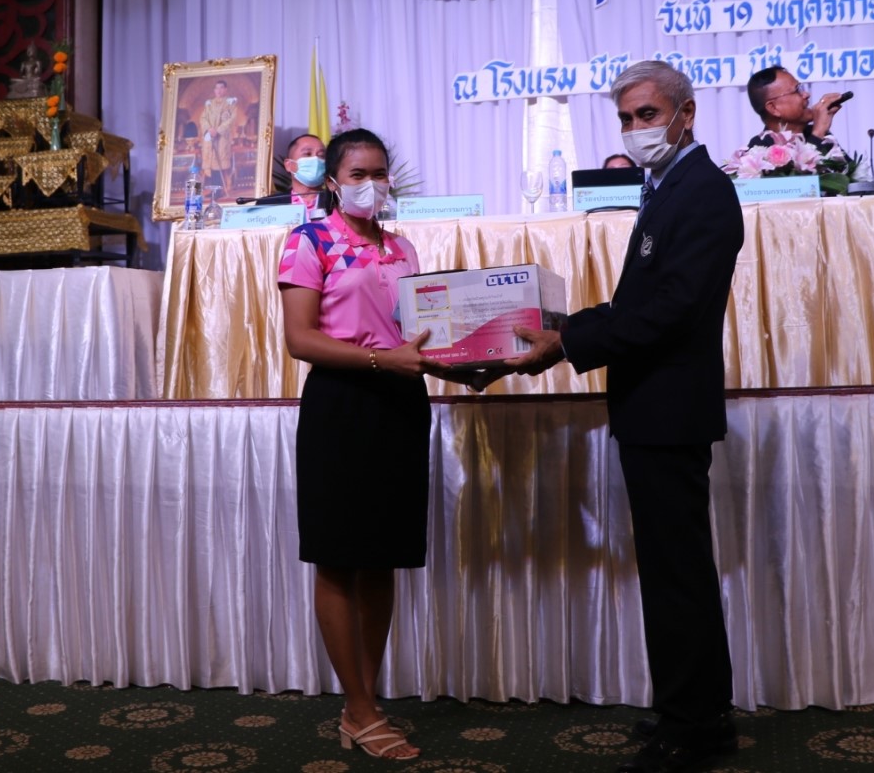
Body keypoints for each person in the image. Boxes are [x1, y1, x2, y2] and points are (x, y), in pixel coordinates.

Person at [505, 61, 743, 773]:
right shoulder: (666, 186)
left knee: (678, 574)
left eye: (647, 114)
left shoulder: (703, 191)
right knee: (672, 570)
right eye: (625, 119)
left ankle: (694, 726)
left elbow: (671, 311)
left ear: (686, 114)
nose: (635, 129)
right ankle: (693, 712)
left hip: (670, 409)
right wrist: (566, 330)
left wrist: (566, 342)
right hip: (652, 406)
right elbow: (638, 305)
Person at [278, 128, 491, 762]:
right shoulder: (309, 241)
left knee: (382, 558)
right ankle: (361, 707)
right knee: (338, 557)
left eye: (379, 173)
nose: (370, 184)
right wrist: (381, 361)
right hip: (342, 404)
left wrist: (467, 362)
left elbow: (420, 337)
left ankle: (361, 703)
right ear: (333, 182)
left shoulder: (402, 247)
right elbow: (300, 339)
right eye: (358, 174)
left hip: (400, 404)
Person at [744, 67, 845, 152]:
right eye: (797, 90)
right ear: (773, 108)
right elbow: (802, 170)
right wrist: (818, 134)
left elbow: (850, 169)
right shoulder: (759, 150)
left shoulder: (819, 134)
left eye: (801, 88)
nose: (806, 94)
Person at [199, 79, 239, 191]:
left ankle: (220, 190)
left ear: (225, 89)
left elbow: (232, 119)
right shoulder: (209, 104)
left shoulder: (230, 103)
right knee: (211, 163)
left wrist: (218, 130)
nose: (219, 90)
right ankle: (214, 190)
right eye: (217, 88)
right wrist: (209, 129)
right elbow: (203, 118)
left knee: (220, 163)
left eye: (221, 88)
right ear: (214, 90)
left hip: (222, 138)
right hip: (210, 137)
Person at [283, 132, 330, 209]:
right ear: (289, 165)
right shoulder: (268, 204)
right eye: (307, 154)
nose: (315, 159)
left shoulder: (338, 203)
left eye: (321, 155)